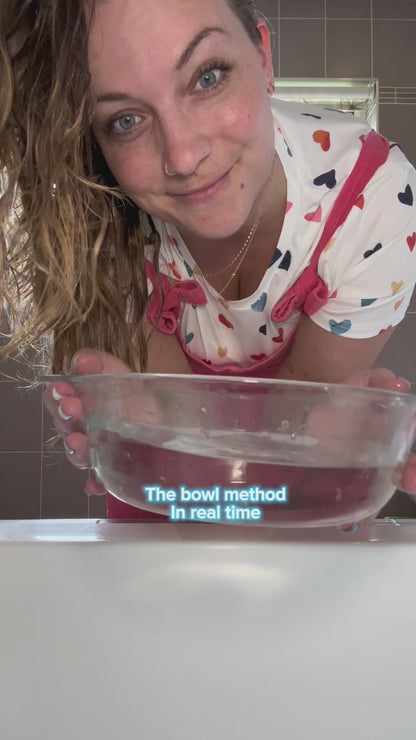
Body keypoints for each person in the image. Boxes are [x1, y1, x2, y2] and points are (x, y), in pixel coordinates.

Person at [1, 0, 416, 522]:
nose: (182, 157)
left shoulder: (373, 202)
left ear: (262, 56)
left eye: (207, 76)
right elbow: (184, 453)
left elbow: (295, 440)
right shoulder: (99, 214)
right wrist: (143, 420)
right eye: (126, 120)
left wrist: (335, 432)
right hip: (171, 492)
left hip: (294, 494)